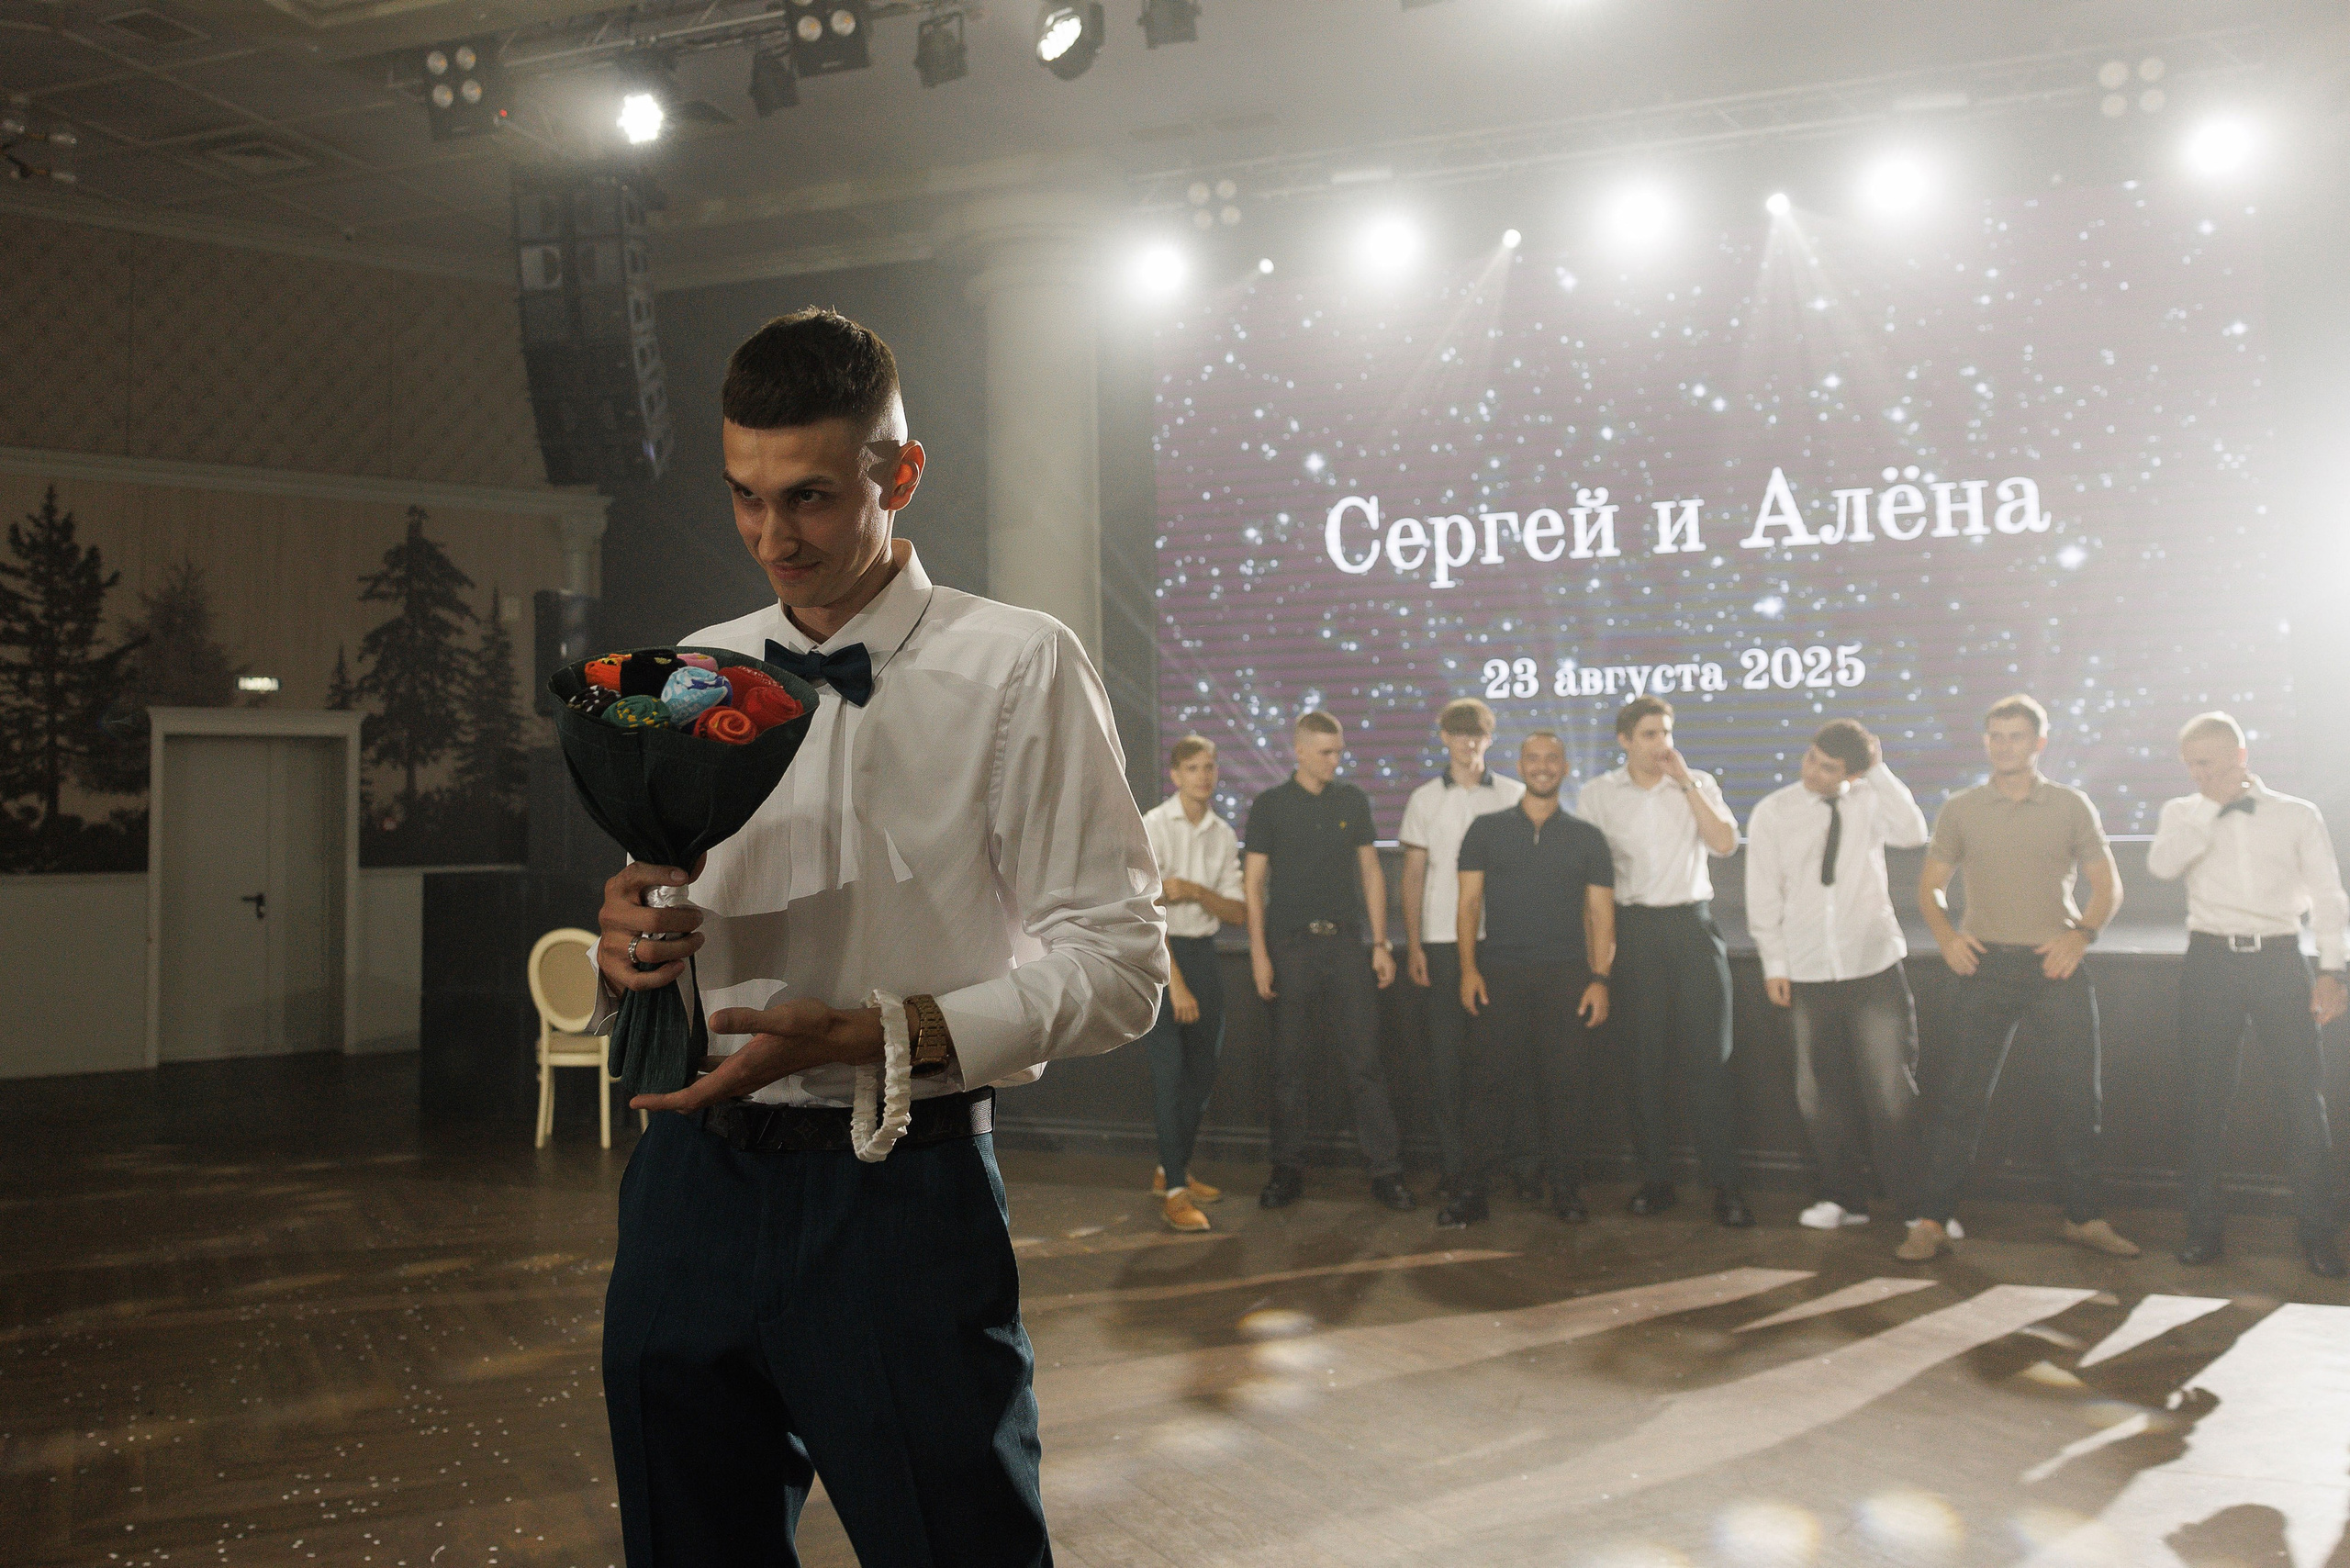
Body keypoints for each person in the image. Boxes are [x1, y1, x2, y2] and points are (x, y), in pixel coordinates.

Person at [588, 308, 1165, 1568]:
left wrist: (880, 1035)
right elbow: (658, 909)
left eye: (808, 496)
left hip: (896, 1189)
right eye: (744, 496)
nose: (771, 537)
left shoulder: (1020, 665)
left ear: (899, 474)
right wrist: (623, 944)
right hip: (687, 1191)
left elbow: (1124, 972)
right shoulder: (694, 666)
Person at [1910, 693, 2136, 1261]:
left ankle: (2084, 1218)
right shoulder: (1961, 808)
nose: (2004, 746)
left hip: (2053, 964)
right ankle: (1932, 1221)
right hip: (1983, 965)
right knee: (1959, 1099)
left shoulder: (2070, 805)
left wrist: (2080, 937)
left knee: (2077, 1099)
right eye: (1995, 736)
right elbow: (1930, 887)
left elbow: (2107, 887)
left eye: (2015, 736)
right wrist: (1947, 938)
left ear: (2039, 743)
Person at [2146, 711, 2347, 1279]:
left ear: (2239, 757)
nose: (2198, 774)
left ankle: (2318, 1235)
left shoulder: (2296, 814)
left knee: (2302, 1099)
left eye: (2207, 763)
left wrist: (2333, 970)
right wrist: (2207, 808)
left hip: (2280, 958)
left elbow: (2328, 895)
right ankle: (2203, 1231)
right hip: (2210, 960)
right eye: (2191, 765)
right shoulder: (2182, 812)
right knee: (2203, 1099)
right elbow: (2161, 866)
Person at [1746, 719, 1932, 1239]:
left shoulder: (1871, 800)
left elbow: (1913, 833)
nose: (1813, 772)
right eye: (1811, 758)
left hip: (1872, 964)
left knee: (1891, 1089)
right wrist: (1774, 964)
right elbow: (1763, 892)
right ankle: (1841, 1198)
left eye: (1829, 768)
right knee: (1818, 1094)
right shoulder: (1774, 811)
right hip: (1806, 970)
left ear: (1852, 773)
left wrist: (1879, 773)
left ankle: (1920, 1208)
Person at [1577, 696, 1752, 1226]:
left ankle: (1725, 1185)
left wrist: (1687, 784)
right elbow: (1589, 879)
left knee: (1709, 1062)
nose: (1662, 744)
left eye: (1667, 733)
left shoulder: (1696, 782)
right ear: (1625, 741)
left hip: (1691, 928)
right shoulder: (1598, 794)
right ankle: (1656, 1181)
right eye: (1650, 735)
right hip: (1633, 931)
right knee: (1642, 1064)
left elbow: (1725, 843)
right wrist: (1597, 963)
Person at [1443, 730, 1615, 1227]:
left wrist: (1600, 978)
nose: (1543, 766)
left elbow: (1601, 915)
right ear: (1520, 766)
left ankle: (1566, 1191)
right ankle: (1472, 1192)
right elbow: (1468, 905)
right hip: (1499, 972)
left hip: (1568, 976)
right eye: (1534, 758)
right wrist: (1468, 969)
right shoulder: (1486, 830)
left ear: (1564, 767)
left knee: (1567, 1088)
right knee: (1488, 1087)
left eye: (1552, 759)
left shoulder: (1588, 837)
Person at [1246, 710, 1416, 1212]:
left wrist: (1381, 943)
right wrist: (1259, 954)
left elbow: (1371, 871)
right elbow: (1253, 884)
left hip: (1345, 944)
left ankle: (1386, 1172)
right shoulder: (1270, 805)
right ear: (1298, 751)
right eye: (1325, 752)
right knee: (1289, 1064)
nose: (1334, 760)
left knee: (1365, 1061)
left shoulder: (1352, 800)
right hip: (1290, 946)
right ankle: (1287, 1169)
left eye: (1339, 751)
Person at [1400, 697, 1527, 1200]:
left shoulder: (1515, 795)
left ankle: (1509, 1164)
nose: (1468, 743)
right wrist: (1413, 945)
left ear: (1490, 739)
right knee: (1447, 1061)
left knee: (1504, 1059)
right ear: (1444, 738)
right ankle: (1456, 1167)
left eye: (1477, 734)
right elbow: (1413, 877)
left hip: (1502, 942)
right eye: (1458, 734)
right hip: (1441, 942)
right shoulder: (1424, 798)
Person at [1139, 734, 1248, 1232]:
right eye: (1193, 768)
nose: (1203, 776)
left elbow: (1238, 912)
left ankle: (1172, 1170)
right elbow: (1145, 910)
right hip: (1162, 958)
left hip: (1204, 955)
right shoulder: (1154, 825)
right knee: (1169, 1075)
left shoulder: (1222, 833)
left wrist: (1194, 890)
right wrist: (1175, 984)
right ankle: (1176, 1192)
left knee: (1202, 1074)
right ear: (1175, 775)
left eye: (1210, 766)